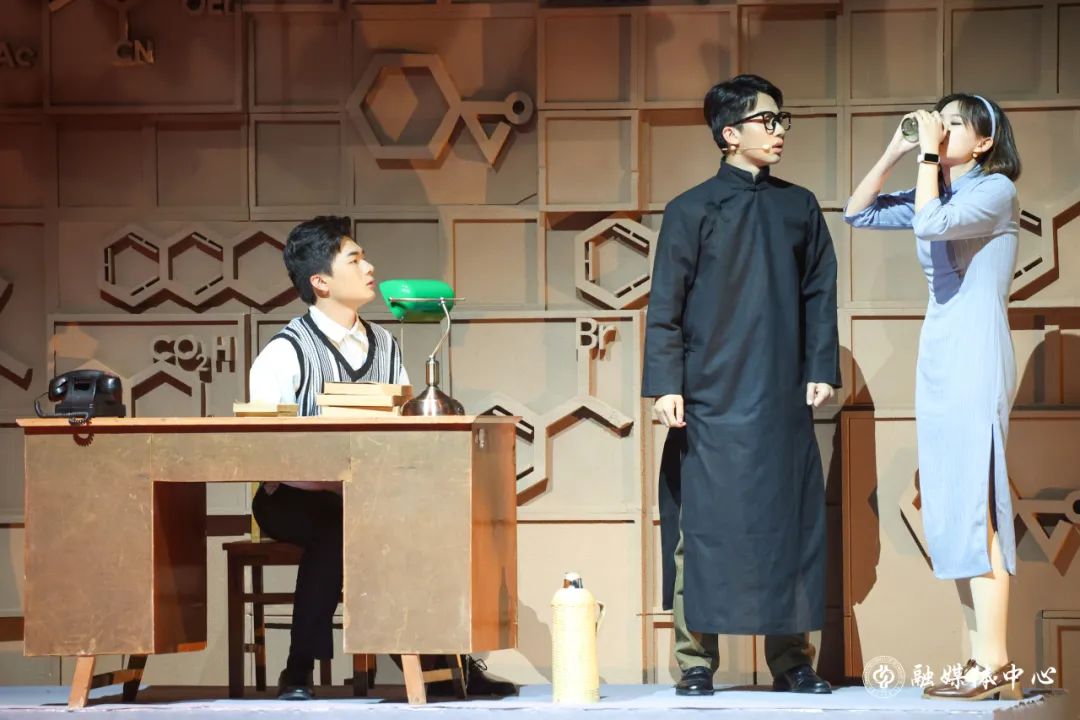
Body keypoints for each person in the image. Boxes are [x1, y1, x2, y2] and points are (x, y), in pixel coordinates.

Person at [249, 216, 514, 700]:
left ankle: (449, 664)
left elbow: (405, 430)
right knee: (337, 526)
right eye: (355, 260)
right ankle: (299, 669)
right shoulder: (285, 352)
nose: (370, 268)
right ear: (320, 281)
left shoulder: (386, 345)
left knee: (433, 524)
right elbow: (264, 451)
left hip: (369, 498)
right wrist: (337, 484)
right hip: (292, 496)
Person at [643, 74, 840, 697]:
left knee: (788, 525)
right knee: (703, 529)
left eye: (783, 121)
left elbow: (819, 293)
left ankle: (793, 660)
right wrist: (665, 384)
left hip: (780, 394)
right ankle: (695, 661)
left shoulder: (799, 206)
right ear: (730, 133)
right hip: (710, 397)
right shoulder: (691, 209)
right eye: (767, 120)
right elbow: (666, 305)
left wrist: (820, 366)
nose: (779, 131)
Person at [844, 94, 1022, 701]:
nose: (939, 132)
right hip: (940, 348)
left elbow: (930, 225)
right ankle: (980, 658)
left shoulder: (994, 190)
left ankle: (995, 661)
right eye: (935, 123)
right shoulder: (935, 187)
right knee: (950, 506)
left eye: (951, 125)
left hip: (976, 346)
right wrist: (896, 150)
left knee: (977, 504)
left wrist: (925, 157)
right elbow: (857, 212)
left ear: (984, 142)